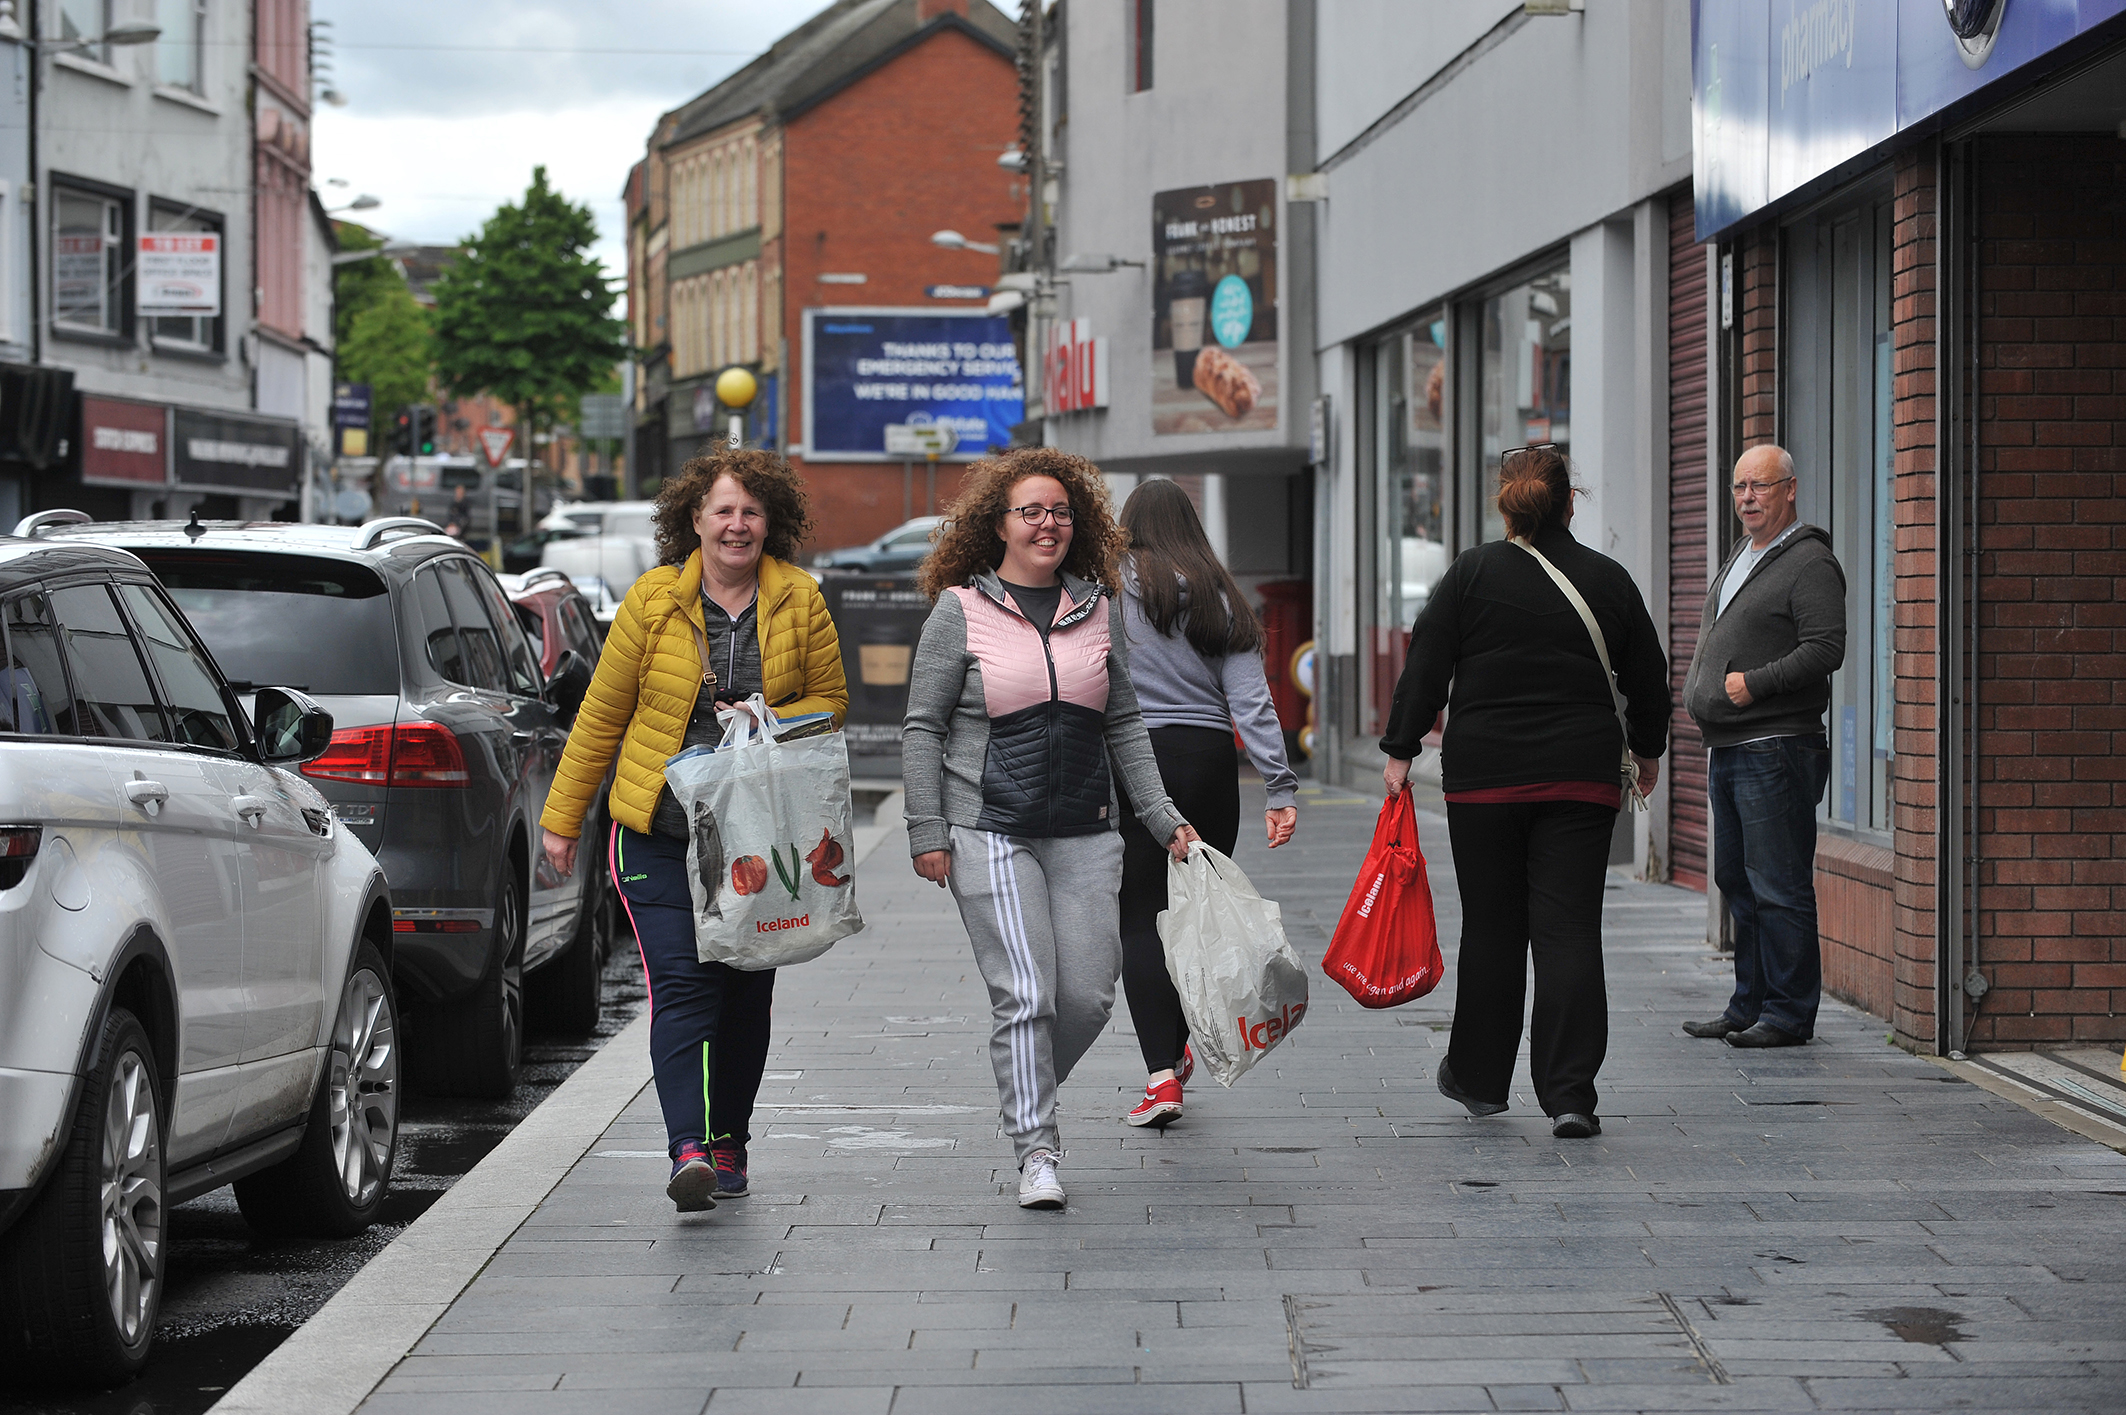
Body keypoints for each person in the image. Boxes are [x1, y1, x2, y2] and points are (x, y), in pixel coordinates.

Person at [539, 450, 848, 1212]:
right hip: (658, 833)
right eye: (722, 510)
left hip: (757, 844)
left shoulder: (801, 599)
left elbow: (834, 702)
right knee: (683, 987)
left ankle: (729, 1138)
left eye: (750, 511)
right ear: (694, 520)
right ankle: (687, 1149)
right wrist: (561, 819)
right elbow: (603, 716)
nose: (736, 524)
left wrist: (775, 718)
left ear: (770, 522)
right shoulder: (652, 602)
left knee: (745, 993)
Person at [902, 447, 1199, 1210]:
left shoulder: (1098, 608)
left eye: (1061, 511)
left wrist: (1162, 816)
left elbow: (1126, 719)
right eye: (1030, 511)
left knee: (1090, 997)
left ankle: (1024, 1079)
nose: (1048, 523)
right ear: (997, 523)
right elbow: (921, 727)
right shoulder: (959, 611)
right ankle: (1037, 1143)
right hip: (988, 827)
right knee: (1026, 992)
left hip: (1085, 831)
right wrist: (925, 827)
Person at [1380, 446, 1668, 1139]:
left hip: (1484, 782)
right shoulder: (1607, 578)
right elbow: (1649, 675)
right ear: (1572, 502)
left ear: (1505, 505)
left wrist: (1399, 748)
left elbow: (1426, 663)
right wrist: (1646, 750)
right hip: (1580, 777)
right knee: (1568, 930)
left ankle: (1480, 1080)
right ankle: (1570, 1094)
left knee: (1492, 929)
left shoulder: (1471, 573)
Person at [1113, 478, 1298, 1128]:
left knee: (1141, 915)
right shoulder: (1222, 595)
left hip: (1134, 763)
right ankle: (1181, 1044)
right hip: (1211, 765)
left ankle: (1162, 1076)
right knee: (1194, 912)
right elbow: (1252, 701)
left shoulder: (1110, 588)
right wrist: (1279, 785)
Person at [1681, 444, 1846, 1049]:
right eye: (1740, 487)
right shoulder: (1745, 555)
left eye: (1761, 487)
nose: (1748, 498)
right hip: (1731, 746)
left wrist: (1754, 684)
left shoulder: (1809, 563)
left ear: (1790, 490)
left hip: (1776, 746)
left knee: (1778, 885)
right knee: (1738, 880)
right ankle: (1748, 1003)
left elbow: (1826, 648)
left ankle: (1788, 1013)